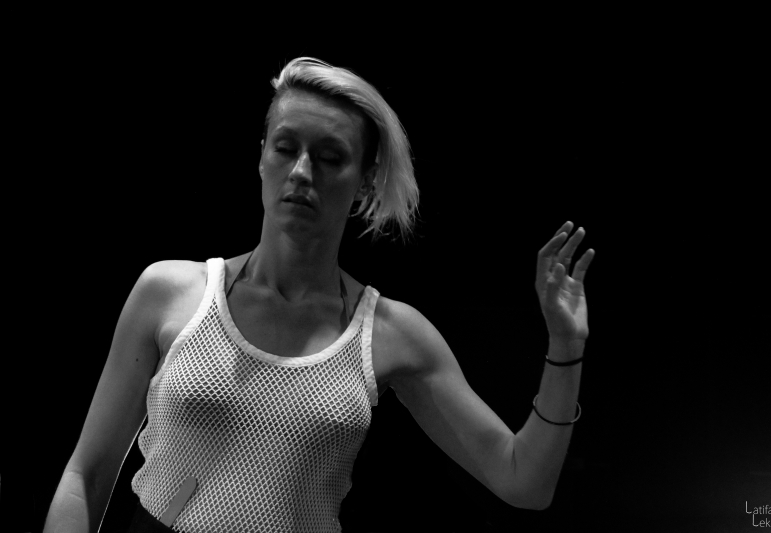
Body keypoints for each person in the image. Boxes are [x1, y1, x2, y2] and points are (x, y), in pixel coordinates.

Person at [43, 57, 595, 533]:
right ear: (262, 156)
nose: (302, 172)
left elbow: (524, 480)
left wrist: (566, 347)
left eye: (331, 158)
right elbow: (85, 476)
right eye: (286, 148)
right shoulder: (170, 293)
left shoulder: (389, 334)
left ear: (365, 179)